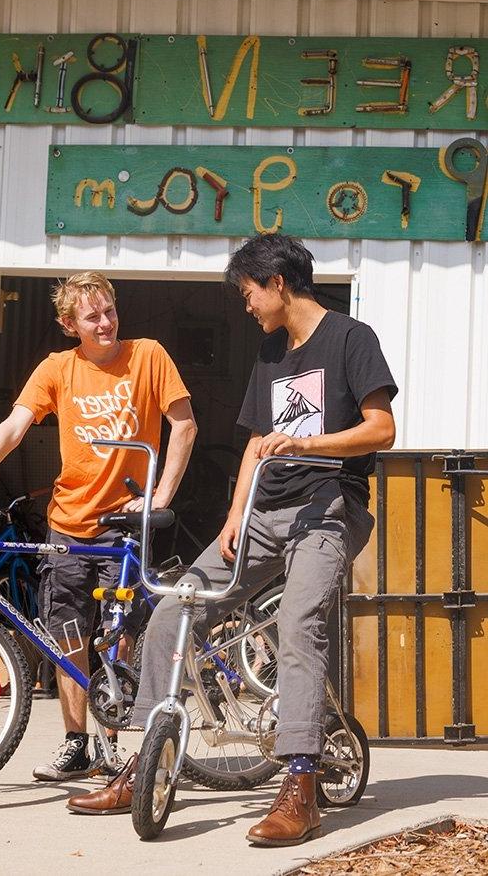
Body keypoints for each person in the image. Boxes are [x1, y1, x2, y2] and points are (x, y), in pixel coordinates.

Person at [67, 234, 397, 847]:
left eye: (246, 291)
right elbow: (252, 445)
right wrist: (232, 519)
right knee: (172, 609)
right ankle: (147, 763)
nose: (244, 304)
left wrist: (306, 445)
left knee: (299, 624)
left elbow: (382, 428)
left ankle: (301, 784)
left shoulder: (352, 339)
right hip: (262, 514)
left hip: (329, 508)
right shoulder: (271, 352)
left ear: (277, 282)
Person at [0, 272, 196, 782]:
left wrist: (161, 496)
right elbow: (15, 426)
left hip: (123, 522)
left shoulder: (148, 355)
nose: (105, 322)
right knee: (68, 632)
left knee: (116, 635)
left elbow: (183, 424)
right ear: (68, 323)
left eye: (110, 311)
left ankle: (112, 745)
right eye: (92, 316)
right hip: (67, 524)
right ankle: (76, 743)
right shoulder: (58, 368)